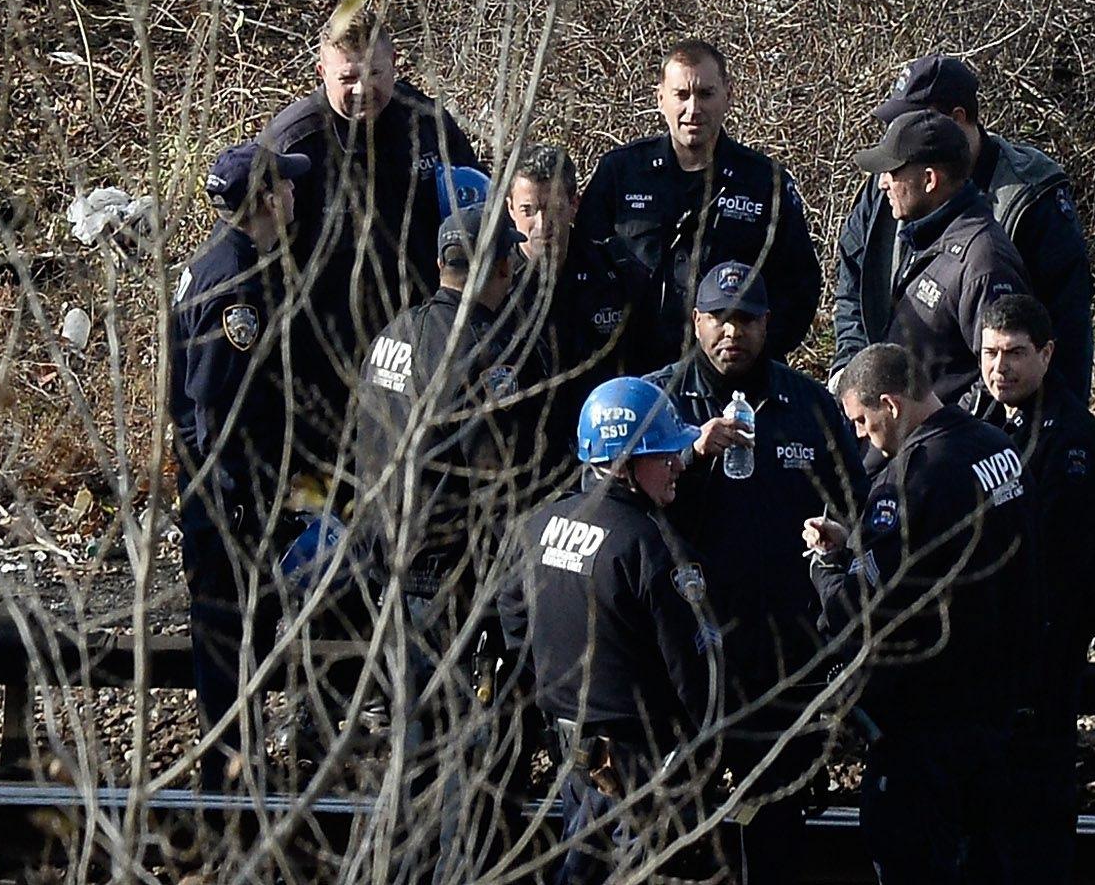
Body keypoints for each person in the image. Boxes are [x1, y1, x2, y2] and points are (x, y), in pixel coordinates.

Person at [650, 262, 860, 885]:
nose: (731, 331)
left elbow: (856, 499)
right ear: (696, 321)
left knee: (775, 828)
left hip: (780, 655)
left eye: (745, 318)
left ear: (768, 324)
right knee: (674, 828)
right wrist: (691, 452)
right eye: (718, 317)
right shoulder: (659, 400)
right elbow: (610, 497)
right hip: (684, 660)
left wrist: (837, 540)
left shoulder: (808, 406)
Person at [807, 342, 1033, 885]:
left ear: (890, 404)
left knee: (910, 854)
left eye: (861, 420)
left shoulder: (910, 477)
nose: (861, 435)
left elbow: (862, 607)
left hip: (926, 716)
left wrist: (827, 569)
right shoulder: (996, 446)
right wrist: (857, 543)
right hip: (995, 701)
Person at [500, 377, 724, 885]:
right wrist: (704, 754)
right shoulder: (653, 548)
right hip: (642, 764)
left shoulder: (537, 526)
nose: (677, 464)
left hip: (572, 754)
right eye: (663, 455)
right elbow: (694, 673)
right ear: (624, 464)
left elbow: (514, 620)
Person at [170, 138, 324, 778]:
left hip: (235, 498)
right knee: (228, 654)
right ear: (266, 199)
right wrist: (238, 499)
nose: (293, 193)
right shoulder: (235, 283)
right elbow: (214, 408)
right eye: (284, 185)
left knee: (243, 649)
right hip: (228, 505)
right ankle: (228, 796)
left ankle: (241, 778)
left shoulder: (234, 261)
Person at [831, 56, 1094, 411]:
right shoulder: (892, 183)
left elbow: (1063, 332)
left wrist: (1053, 432)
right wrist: (852, 373)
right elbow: (853, 280)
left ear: (956, 119)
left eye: (911, 121)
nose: (896, 135)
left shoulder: (1028, 203)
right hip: (893, 414)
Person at [969, 291, 1095, 881]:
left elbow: (1071, 570)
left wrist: (1040, 655)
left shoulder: (1070, 441)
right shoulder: (983, 420)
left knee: (1035, 814)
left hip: (1041, 656)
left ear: (1047, 354)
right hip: (990, 655)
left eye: (1014, 354)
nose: (999, 368)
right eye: (990, 353)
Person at [259, 4, 486, 375]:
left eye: (375, 73)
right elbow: (253, 257)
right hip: (327, 357)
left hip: (422, 344)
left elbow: (479, 217)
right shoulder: (292, 146)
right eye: (348, 78)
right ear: (322, 73)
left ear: (394, 64)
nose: (363, 89)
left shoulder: (427, 125)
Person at [336, 185, 523, 617]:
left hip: (380, 559)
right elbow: (494, 478)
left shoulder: (392, 334)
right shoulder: (481, 353)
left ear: (441, 265)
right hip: (446, 575)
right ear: (501, 267)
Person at [589, 39, 823, 358]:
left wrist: (752, 356)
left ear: (728, 95)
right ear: (660, 98)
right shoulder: (620, 173)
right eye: (681, 95)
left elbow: (799, 287)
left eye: (705, 94)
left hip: (732, 371)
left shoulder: (765, 183)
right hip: (634, 370)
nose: (693, 109)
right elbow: (584, 270)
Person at [498, 147, 669, 501]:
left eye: (553, 209)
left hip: (607, 466)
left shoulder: (618, 276)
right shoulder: (490, 286)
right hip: (520, 473)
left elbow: (653, 368)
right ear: (510, 209)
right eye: (529, 210)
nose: (541, 225)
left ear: (574, 205)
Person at [850, 111, 1026, 409]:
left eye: (893, 172)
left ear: (930, 179)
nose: (882, 184)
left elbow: (1001, 379)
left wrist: (942, 430)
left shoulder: (982, 261)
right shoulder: (924, 238)